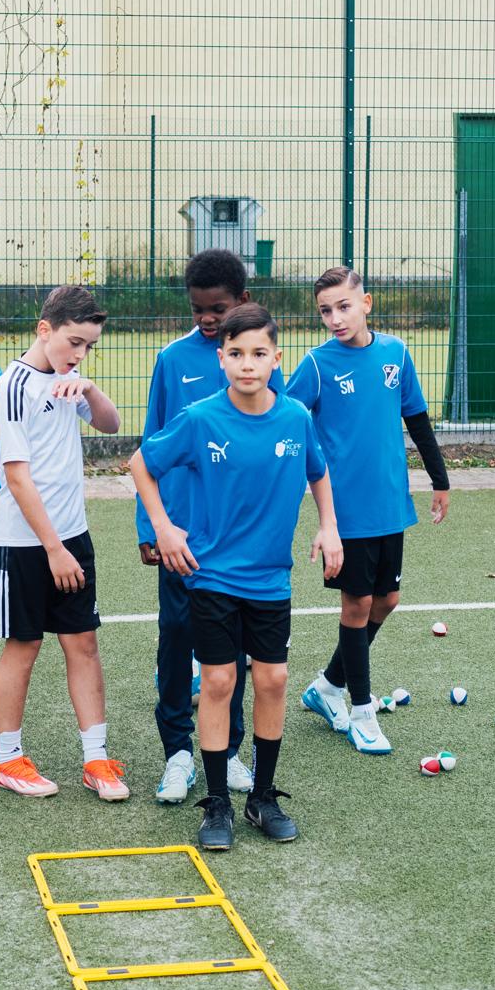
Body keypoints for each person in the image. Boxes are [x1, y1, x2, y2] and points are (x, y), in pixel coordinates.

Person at [130, 303, 344, 851]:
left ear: (277, 359)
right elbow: (141, 464)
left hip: (271, 579)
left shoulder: (295, 417)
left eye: (258, 353)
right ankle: (218, 802)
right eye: (236, 353)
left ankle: (262, 797)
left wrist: (329, 528)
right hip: (213, 577)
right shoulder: (201, 418)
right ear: (221, 360)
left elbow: (318, 472)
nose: (248, 364)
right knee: (220, 683)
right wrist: (164, 527)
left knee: (272, 681)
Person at [135, 248, 285, 807]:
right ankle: (177, 751)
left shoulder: (260, 361)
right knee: (176, 636)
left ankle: (230, 749)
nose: (205, 318)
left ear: (242, 301)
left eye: (216, 309)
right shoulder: (172, 359)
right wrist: (149, 526)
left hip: (237, 540)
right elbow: (150, 443)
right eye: (197, 308)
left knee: (235, 649)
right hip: (181, 536)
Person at [287, 266, 451, 756]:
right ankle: (361, 712)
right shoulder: (317, 365)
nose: (335, 318)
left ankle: (327, 686)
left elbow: (416, 418)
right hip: (345, 513)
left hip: (390, 505)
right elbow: (285, 420)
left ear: (366, 303)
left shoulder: (395, 353)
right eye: (325, 311)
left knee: (387, 601)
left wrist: (440, 480)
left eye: (343, 306)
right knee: (356, 606)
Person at [0, 285, 128, 802]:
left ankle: (96, 759)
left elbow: (111, 423)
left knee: (83, 642)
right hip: (26, 543)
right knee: (23, 645)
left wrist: (88, 387)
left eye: (89, 345)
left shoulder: (69, 378)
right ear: (44, 329)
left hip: (73, 536)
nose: (80, 353)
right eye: (74, 342)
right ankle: (7, 759)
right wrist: (53, 549)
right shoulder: (13, 387)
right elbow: (17, 478)